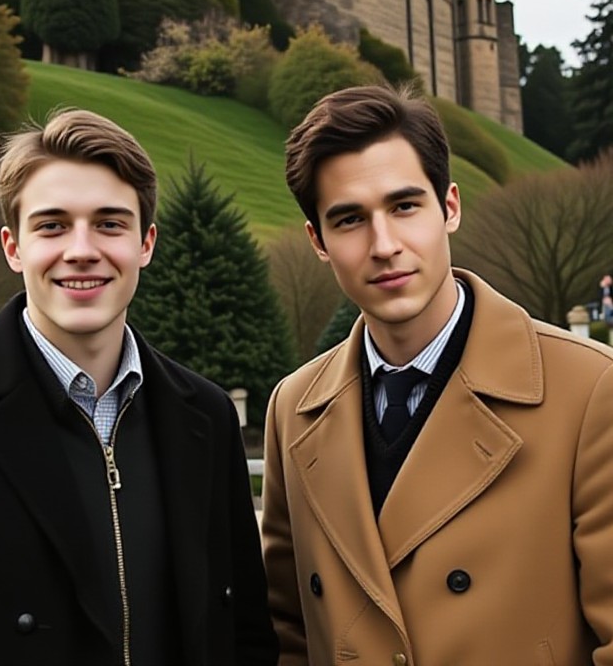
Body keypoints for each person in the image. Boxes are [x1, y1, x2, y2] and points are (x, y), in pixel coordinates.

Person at [0, 108, 277, 666]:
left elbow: (244, 633)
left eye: (109, 223)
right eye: (52, 225)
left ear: (145, 244)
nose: (81, 249)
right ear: (13, 247)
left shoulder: (206, 415)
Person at [262, 83, 613, 665]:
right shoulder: (292, 406)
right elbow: (287, 632)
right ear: (317, 242)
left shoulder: (590, 389)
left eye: (404, 206)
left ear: (449, 206)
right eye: (349, 220)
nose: (384, 245)